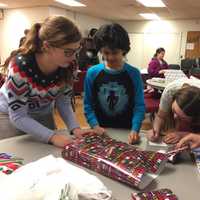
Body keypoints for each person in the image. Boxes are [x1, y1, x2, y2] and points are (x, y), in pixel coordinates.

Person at [0, 16, 88, 147]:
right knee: (16, 153)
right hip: (10, 115)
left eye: (77, 51)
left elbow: (63, 101)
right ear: (47, 46)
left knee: (47, 154)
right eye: (68, 52)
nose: (74, 57)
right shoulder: (20, 67)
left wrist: (75, 128)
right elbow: (18, 116)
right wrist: (52, 136)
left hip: (42, 112)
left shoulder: (70, 64)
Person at [84, 23, 145, 144]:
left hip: (127, 131)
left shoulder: (134, 73)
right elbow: (88, 105)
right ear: (100, 50)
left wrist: (135, 129)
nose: (110, 57)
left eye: (115, 52)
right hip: (100, 131)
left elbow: (139, 106)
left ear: (124, 50)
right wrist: (94, 125)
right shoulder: (92, 73)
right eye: (106, 53)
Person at [147, 78, 200, 144]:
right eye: (174, 111)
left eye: (182, 117)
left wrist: (184, 134)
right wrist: (155, 130)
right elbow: (160, 116)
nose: (175, 117)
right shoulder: (170, 91)